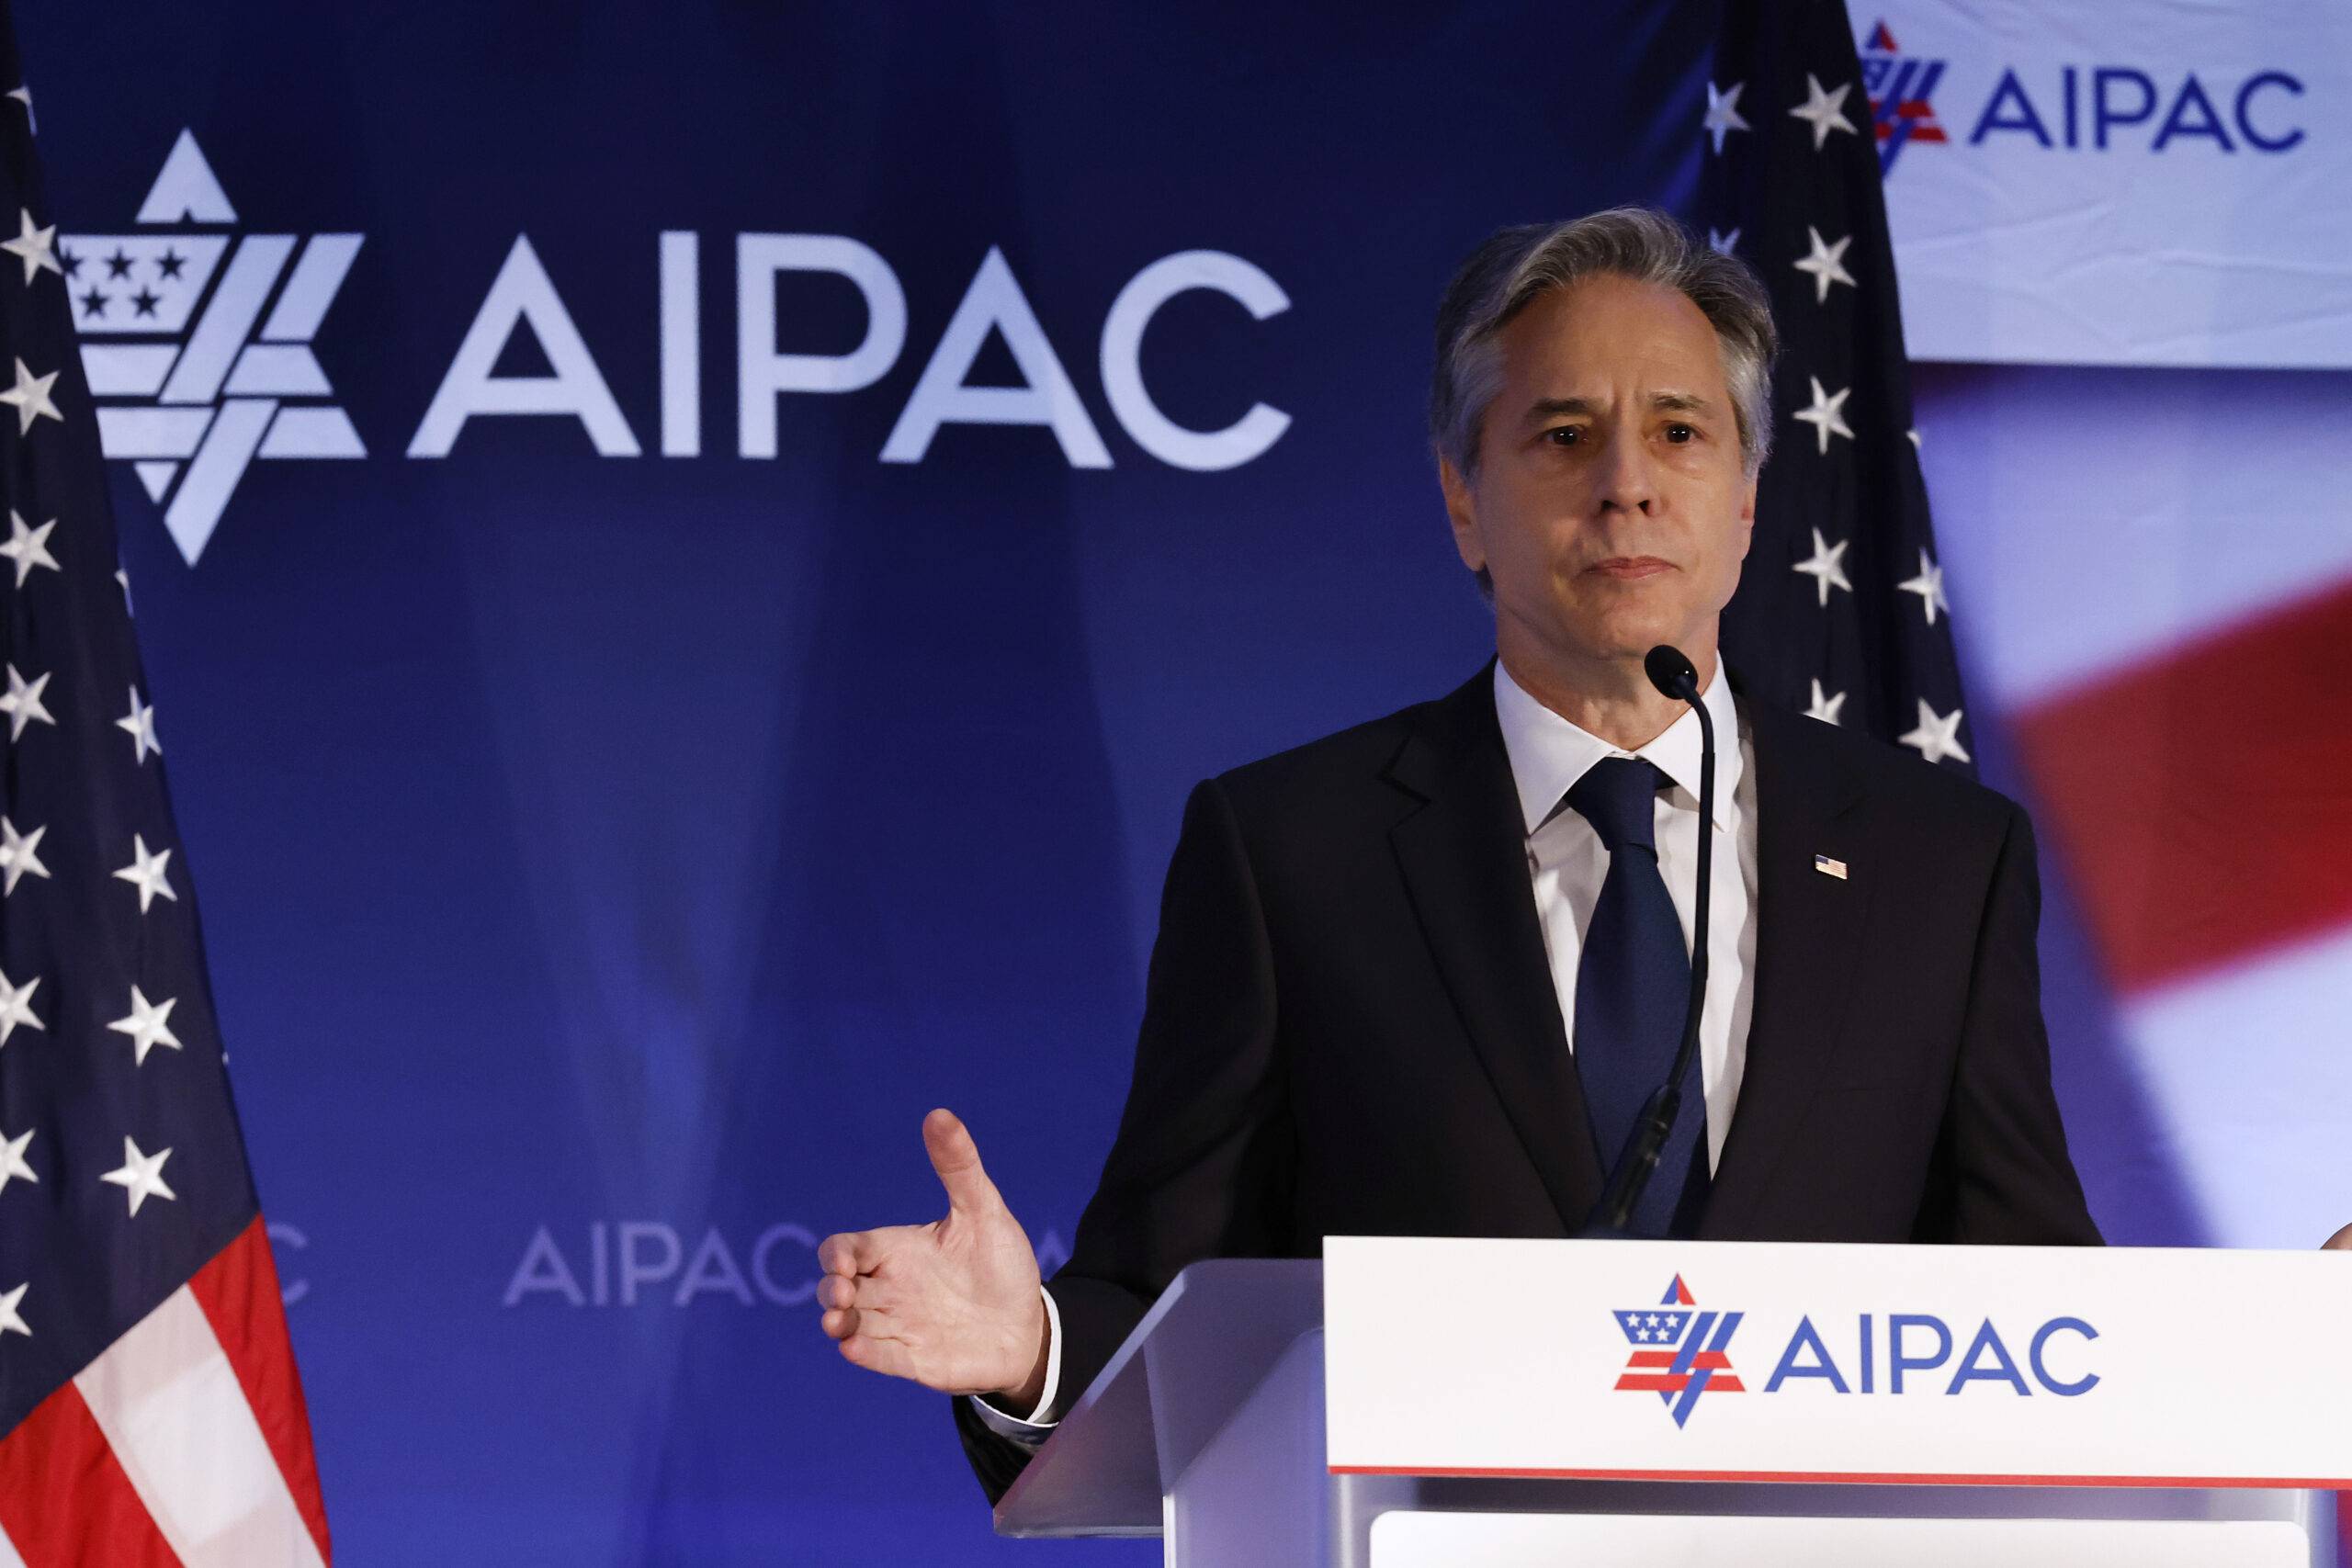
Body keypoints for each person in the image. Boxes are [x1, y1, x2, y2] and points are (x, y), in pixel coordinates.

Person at [819, 208, 2116, 1503]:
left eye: (1680, 431)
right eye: (1563, 437)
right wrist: (1027, 1350)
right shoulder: (1290, 855)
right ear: (1462, 502)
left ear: (1746, 501)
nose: (1628, 483)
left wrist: (2286, 1355)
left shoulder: (1940, 861)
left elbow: (2036, 1303)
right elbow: (1174, 1307)